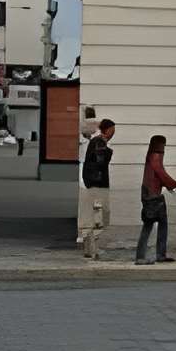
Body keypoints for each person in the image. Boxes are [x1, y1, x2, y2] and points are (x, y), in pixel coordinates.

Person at [135, 133, 176, 262]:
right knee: (157, 225)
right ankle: (154, 255)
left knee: (151, 224)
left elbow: (157, 175)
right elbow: (161, 173)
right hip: (153, 196)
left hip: (148, 194)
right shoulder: (156, 156)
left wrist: (169, 185)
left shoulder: (151, 156)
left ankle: (144, 255)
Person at [82, 118, 115, 261]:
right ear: (107, 130)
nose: (113, 133)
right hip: (98, 184)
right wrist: (109, 150)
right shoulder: (100, 142)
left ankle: (89, 249)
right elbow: (101, 162)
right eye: (113, 130)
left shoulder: (95, 141)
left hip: (92, 183)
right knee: (99, 217)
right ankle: (94, 250)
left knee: (92, 216)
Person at [73, 106, 100, 248]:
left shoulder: (85, 130)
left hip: (86, 165)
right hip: (93, 166)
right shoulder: (97, 131)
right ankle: (89, 232)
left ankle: (84, 233)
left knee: (86, 200)